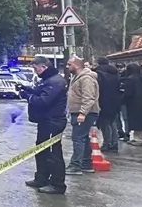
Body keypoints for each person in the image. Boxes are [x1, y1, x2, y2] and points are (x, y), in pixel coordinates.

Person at [22, 55, 68, 195]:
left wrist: (28, 97)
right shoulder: (48, 80)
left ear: (44, 67)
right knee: (42, 151)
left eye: (36, 69)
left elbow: (43, 101)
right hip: (46, 121)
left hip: (52, 122)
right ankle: (41, 178)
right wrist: (28, 89)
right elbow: (40, 92)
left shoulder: (55, 82)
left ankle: (57, 184)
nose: (35, 72)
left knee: (53, 153)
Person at [66, 57, 100, 174]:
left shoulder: (86, 78)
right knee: (83, 138)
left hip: (85, 113)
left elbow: (88, 97)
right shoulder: (76, 77)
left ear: (76, 65)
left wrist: (82, 113)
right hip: (81, 112)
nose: (67, 66)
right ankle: (86, 164)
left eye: (69, 64)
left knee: (78, 139)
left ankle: (76, 165)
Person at [95, 57, 122, 153]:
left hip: (103, 101)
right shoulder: (115, 74)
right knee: (112, 123)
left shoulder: (99, 75)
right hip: (115, 101)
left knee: (105, 124)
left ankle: (106, 143)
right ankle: (114, 143)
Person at [121, 62, 142, 146]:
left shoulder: (130, 79)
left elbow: (128, 93)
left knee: (135, 120)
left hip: (134, 103)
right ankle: (140, 138)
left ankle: (138, 140)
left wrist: (122, 100)